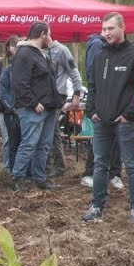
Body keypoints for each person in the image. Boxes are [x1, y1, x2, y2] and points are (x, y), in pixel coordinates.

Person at [81, 12, 134, 222]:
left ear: (122, 27)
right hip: (101, 120)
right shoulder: (100, 55)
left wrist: (128, 114)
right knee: (100, 164)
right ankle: (96, 206)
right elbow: (92, 84)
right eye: (104, 29)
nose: (106, 33)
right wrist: (90, 110)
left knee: (131, 163)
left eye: (110, 28)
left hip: (124, 121)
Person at [10, 22, 63, 191]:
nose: (50, 38)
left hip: (48, 107)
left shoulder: (40, 54)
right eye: (49, 34)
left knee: (44, 145)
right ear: (42, 34)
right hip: (32, 108)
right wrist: (33, 103)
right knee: (29, 143)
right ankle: (18, 178)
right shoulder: (24, 54)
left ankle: (40, 178)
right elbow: (19, 83)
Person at [80, 31, 123, 189]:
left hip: (118, 101)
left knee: (118, 139)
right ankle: (90, 173)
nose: (109, 32)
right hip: (103, 100)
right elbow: (93, 75)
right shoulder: (97, 44)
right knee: (101, 139)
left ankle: (114, 174)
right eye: (107, 28)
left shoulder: (121, 49)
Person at [45, 37, 85, 177]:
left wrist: (77, 93)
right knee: (52, 130)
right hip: (43, 96)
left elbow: (73, 71)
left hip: (57, 96)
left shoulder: (61, 50)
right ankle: (56, 166)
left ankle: (51, 167)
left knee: (49, 130)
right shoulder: (39, 50)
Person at [0, 35, 22, 171]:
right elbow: (3, 91)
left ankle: (24, 170)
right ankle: (12, 169)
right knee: (13, 141)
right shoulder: (7, 69)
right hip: (11, 112)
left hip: (25, 111)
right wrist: (11, 107)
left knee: (25, 142)